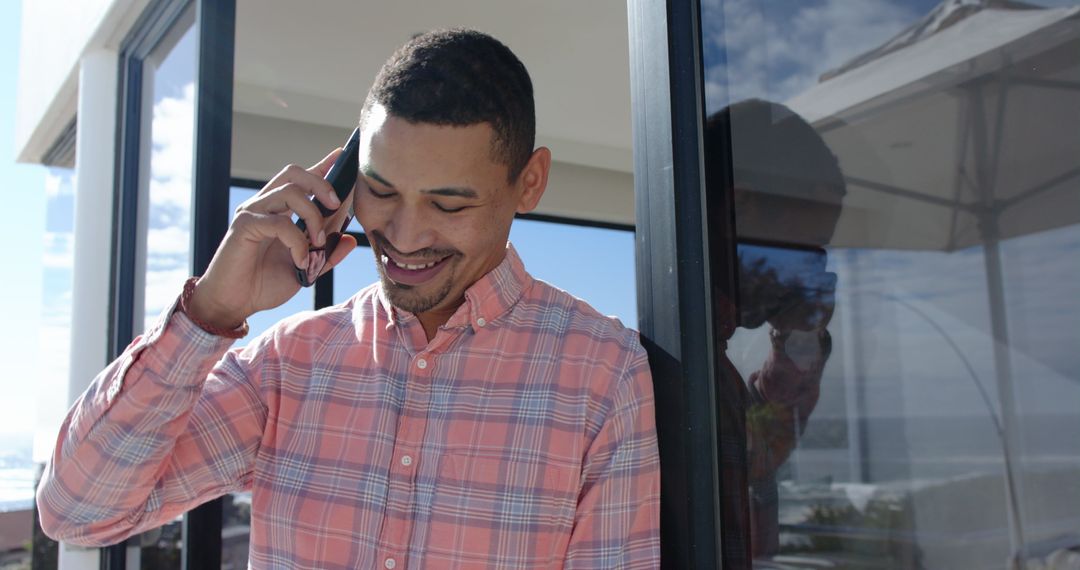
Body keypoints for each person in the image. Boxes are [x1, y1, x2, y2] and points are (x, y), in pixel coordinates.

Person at [37, 29, 660, 569]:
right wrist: (211, 314)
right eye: (380, 191)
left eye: (448, 204)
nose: (404, 235)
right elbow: (78, 513)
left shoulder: (604, 375)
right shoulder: (286, 366)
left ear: (530, 182)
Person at [704, 99, 844, 561]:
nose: (812, 272)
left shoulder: (703, 356)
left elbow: (756, 459)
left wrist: (800, 340)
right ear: (739, 209)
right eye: (806, 248)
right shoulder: (654, 360)